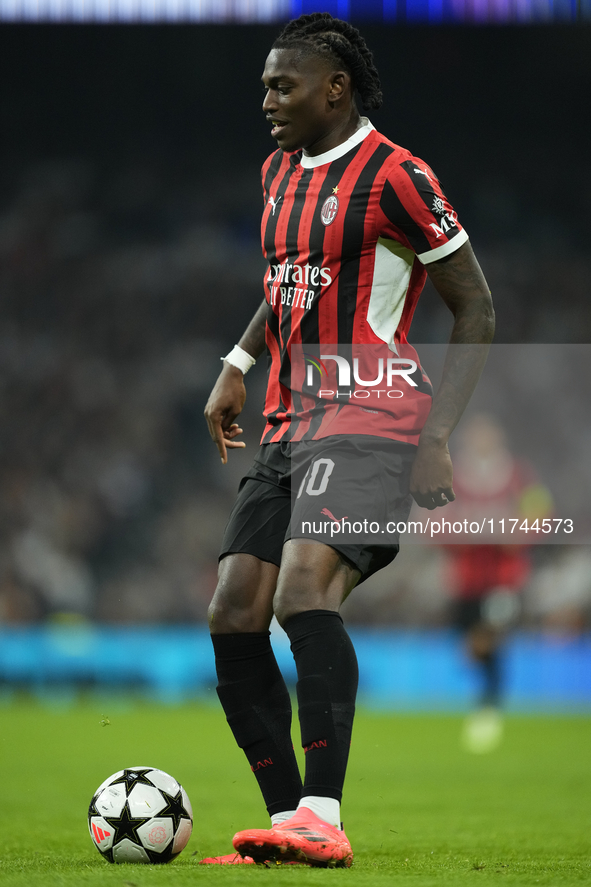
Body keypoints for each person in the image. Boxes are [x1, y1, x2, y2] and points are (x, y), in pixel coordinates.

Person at [201, 12, 495, 868]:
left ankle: (321, 812)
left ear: (335, 88)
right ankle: (282, 824)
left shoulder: (398, 176)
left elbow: (474, 305)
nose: (265, 100)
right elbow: (287, 277)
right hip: (290, 422)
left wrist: (437, 432)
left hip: (373, 415)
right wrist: (237, 360)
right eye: (263, 84)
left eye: (280, 85)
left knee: (301, 589)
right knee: (232, 609)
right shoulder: (278, 171)